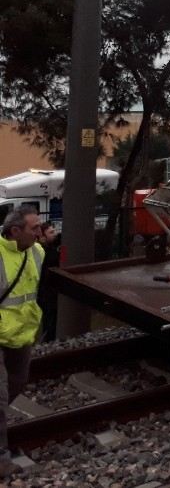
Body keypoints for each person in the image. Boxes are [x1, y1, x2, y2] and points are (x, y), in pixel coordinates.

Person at [0, 204, 44, 478]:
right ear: (15, 231)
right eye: (35, 228)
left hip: (21, 333)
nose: (40, 233)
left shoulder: (37, 253)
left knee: (18, 381)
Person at [38, 223, 61, 342]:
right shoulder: (44, 252)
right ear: (42, 237)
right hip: (47, 293)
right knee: (50, 322)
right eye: (51, 232)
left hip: (48, 292)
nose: (55, 234)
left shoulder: (50, 250)